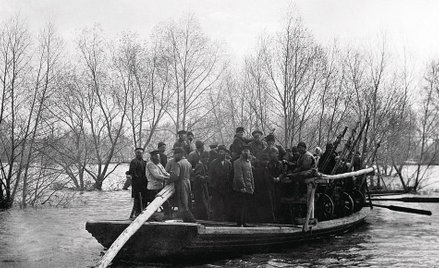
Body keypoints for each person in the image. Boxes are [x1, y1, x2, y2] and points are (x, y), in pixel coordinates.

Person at [168, 147, 196, 222]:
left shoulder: (178, 163)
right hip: (188, 182)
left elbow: (176, 176)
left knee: (182, 202)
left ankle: (187, 219)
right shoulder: (188, 163)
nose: (174, 156)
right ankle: (188, 218)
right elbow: (191, 173)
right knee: (187, 201)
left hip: (181, 183)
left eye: (175, 154)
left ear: (180, 154)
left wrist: (169, 180)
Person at [208, 145, 233, 221]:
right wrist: (212, 186)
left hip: (225, 187)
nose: (221, 154)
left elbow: (230, 175)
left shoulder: (228, 163)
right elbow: (210, 176)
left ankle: (225, 219)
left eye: (223, 152)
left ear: (225, 153)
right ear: (218, 153)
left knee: (226, 203)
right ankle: (216, 219)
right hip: (216, 187)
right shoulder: (213, 163)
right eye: (220, 152)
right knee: (217, 204)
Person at [232, 145, 255, 227]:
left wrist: (252, 186)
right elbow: (238, 176)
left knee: (246, 206)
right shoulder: (237, 162)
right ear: (241, 152)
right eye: (244, 150)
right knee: (240, 206)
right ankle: (239, 223)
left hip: (248, 188)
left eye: (247, 151)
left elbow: (251, 175)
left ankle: (244, 222)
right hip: (240, 189)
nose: (246, 152)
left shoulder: (248, 162)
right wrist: (242, 187)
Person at [127, 148, 148, 219]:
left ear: (143, 154)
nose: (139, 154)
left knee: (144, 198)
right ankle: (137, 213)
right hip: (137, 184)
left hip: (144, 184)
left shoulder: (145, 162)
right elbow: (133, 172)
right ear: (135, 154)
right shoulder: (134, 162)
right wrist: (138, 180)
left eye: (141, 153)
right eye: (138, 153)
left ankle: (143, 211)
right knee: (137, 199)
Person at [192, 151, 210, 220]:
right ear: (202, 158)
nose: (207, 160)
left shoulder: (202, 164)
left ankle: (203, 217)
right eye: (206, 158)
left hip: (202, 186)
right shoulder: (200, 165)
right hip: (199, 188)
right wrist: (205, 178)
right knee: (201, 203)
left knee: (203, 202)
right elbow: (197, 175)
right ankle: (202, 218)